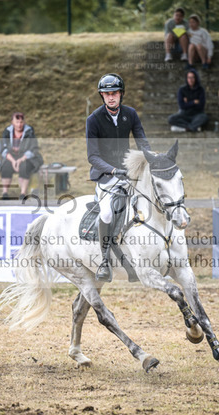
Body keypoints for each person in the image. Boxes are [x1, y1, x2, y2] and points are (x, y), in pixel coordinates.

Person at [86, 73, 151, 282]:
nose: (111, 97)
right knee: (106, 214)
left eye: (114, 93)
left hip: (128, 174)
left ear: (121, 94)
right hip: (106, 178)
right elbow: (92, 156)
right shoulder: (93, 119)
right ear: (102, 96)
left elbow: (142, 142)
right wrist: (113, 171)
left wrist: (152, 158)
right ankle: (104, 261)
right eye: (107, 94)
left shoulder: (130, 114)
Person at [0, 112, 43, 200]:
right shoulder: (7, 132)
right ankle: (5, 193)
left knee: (24, 166)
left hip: (27, 158)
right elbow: (3, 150)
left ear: (24, 122)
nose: (19, 125)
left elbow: (33, 149)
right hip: (11, 157)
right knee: (6, 166)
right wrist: (13, 161)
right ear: (12, 122)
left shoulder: (30, 132)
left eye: (21, 122)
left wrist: (21, 160)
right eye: (17, 122)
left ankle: (23, 193)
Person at [168, 68, 208, 133]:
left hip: (197, 114)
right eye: (189, 78)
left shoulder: (200, 89)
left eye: (192, 78)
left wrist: (187, 102)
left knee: (204, 117)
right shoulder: (182, 89)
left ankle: (185, 128)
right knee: (171, 119)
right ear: (186, 78)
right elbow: (182, 106)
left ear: (196, 78)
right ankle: (192, 128)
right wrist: (193, 102)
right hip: (185, 114)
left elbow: (201, 106)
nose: (190, 80)